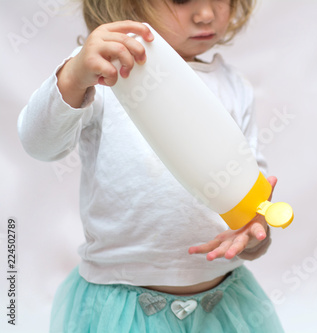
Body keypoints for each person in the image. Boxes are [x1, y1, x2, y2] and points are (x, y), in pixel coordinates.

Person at [18, 0, 284, 332]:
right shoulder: (104, 77)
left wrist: (255, 235)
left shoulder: (234, 88)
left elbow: (248, 191)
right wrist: (73, 77)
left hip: (220, 306)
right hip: (120, 310)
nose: (206, 14)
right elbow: (39, 144)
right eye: (181, 0)